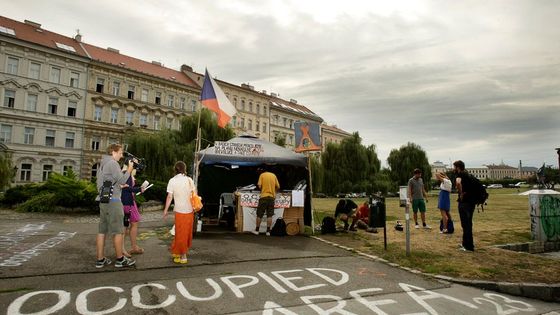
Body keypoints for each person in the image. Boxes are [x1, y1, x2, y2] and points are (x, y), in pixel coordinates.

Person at [95, 143, 136, 268]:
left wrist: (118, 186)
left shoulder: (103, 163)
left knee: (102, 231)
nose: (121, 155)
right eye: (120, 152)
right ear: (113, 152)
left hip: (104, 200)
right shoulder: (112, 163)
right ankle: (120, 259)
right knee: (118, 231)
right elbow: (123, 179)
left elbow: (107, 183)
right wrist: (129, 169)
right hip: (113, 201)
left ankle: (100, 259)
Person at [163, 161, 196, 264]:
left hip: (179, 211)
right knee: (186, 233)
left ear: (175, 169)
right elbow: (194, 194)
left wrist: (165, 210)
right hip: (190, 210)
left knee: (180, 233)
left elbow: (169, 197)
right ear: (184, 169)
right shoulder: (189, 180)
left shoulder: (172, 181)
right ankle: (179, 252)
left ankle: (183, 255)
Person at [121, 167, 145, 257]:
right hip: (128, 203)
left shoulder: (126, 173)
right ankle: (124, 249)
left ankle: (132, 247)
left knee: (128, 225)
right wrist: (139, 189)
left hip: (127, 202)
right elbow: (126, 188)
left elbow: (127, 188)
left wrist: (138, 189)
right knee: (126, 226)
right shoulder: (126, 173)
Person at [453, 160, 475, 252]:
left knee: (465, 224)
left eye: (454, 167)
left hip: (464, 202)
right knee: (468, 223)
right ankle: (466, 243)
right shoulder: (468, 175)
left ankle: (468, 246)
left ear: (458, 167)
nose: (453, 169)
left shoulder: (460, 175)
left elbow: (458, 183)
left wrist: (461, 193)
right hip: (471, 202)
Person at [252, 167, 280, 236]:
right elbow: (278, 186)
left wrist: (263, 189)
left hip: (263, 196)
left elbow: (259, 185)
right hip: (271, 197)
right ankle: (268, 231)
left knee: (259, 214)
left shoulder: (262, 175)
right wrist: (274, 191)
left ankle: (257, 230)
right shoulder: (274, 175)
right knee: (269, 215)